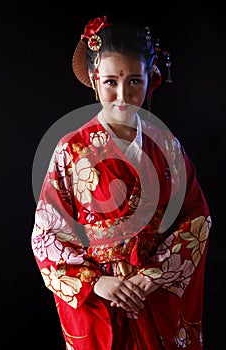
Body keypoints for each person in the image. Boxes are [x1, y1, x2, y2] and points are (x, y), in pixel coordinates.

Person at [31, 15, 212, 349]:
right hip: (101, 296)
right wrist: (97, 283)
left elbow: (195, 219)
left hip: (152, 292)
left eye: (133, 82)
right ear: (95, 79)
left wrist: (153, 276)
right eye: (111, 81)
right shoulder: (71, 149)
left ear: (150, 79)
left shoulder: (166, 145)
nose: (122, 95)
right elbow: (47, 234)